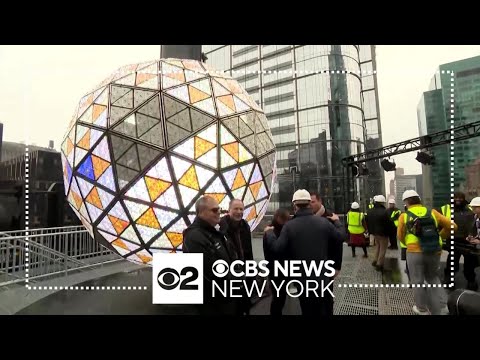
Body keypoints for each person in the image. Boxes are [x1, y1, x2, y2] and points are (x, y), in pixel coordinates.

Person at [265, 189, 345, 316]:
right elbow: (341, 237)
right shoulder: (323, 222)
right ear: (309, 203)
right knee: (325, 308)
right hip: (321, 279)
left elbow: (277, 248)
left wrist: (269, 233)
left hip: (302, 281)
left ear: (295, 205)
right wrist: (337, 221)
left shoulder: (289, 226)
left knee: (307, 310)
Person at [397, 190, 455, 315]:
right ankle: (444, 306)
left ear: (406, 202)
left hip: (414, 251)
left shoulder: (404, 216)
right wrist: (441, 236)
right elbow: (453, 226)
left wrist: (408, 242)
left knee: (417, 280)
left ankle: (421, 309)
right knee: (433, 277)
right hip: (434, 250)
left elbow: (400, 236)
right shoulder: (432, 212)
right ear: (419, 199)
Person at [183, 196, 239, 315]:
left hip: (226, 297)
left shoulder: (215, 232)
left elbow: (232, 255)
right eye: (214, 210)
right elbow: (211, 272)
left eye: (219, 209)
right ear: (201, 212)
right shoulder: (194, 237)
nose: (219, 212)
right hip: (213, 303)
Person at [219, 199, 253, 314]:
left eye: (241, 209)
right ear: (229, 210)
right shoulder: (221, 227)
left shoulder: (245, 226)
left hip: (244, 272)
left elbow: (249, 252)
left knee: (244, 305)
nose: (239, 212)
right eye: (236, 209)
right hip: (229, 275)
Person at [441, 192, 476, 290]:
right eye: (456, 198)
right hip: (453, 240)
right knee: (452, 262)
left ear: (464, 199)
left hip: (468, 241)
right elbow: (438, 220)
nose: (458, 200)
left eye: (460, 198)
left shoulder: (471, 208)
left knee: (470, 264)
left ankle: (471, 280)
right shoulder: (445, 208)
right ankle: (449, 279)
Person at [263, 208, 290, 315]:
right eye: (285, 219)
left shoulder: (272, 230)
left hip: (276, 270)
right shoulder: (272, 232)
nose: (287, 222)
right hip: (277, 270)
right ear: (279, 218)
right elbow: (275, 249)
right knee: (278, 299)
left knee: (280, 297)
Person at [366, 195, 394, 272]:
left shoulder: (369, 211)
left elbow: (367, 221)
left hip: (374, 233)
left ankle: (375, 260)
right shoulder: (385, 212)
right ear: (382, 203)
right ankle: (379, 264)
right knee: (383, 249)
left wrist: (370, 231)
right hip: (383, 233)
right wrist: (391, 233)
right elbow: (389, 223)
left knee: (378, 246)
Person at [465, 196, 480, 291]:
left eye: (475, 207)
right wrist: (472, 237)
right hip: (477, 248)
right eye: (472, 207)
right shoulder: (475, 217)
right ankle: (472, 285)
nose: (473, 209)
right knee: (468, 266)